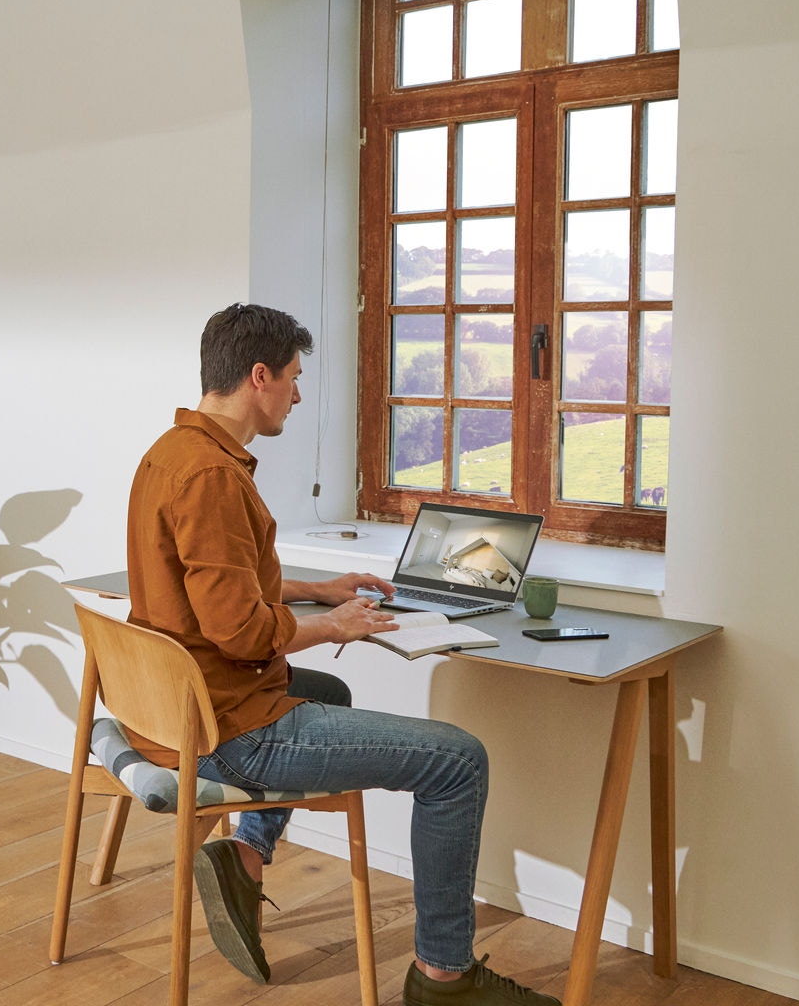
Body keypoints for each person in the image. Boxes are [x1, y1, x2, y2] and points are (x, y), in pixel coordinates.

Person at [123, 303, 558, 1005]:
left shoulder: (172, 454)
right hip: (228, 732)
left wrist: (318, 590)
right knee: (457, 760)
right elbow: (237, 631)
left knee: (328, 693)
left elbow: (222, 584)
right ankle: (445, 977)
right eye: (293, 377)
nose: (297, 394)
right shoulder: (213, 478)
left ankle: (244, 855)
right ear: (258, 376)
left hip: (179, 712)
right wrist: (337, 626)